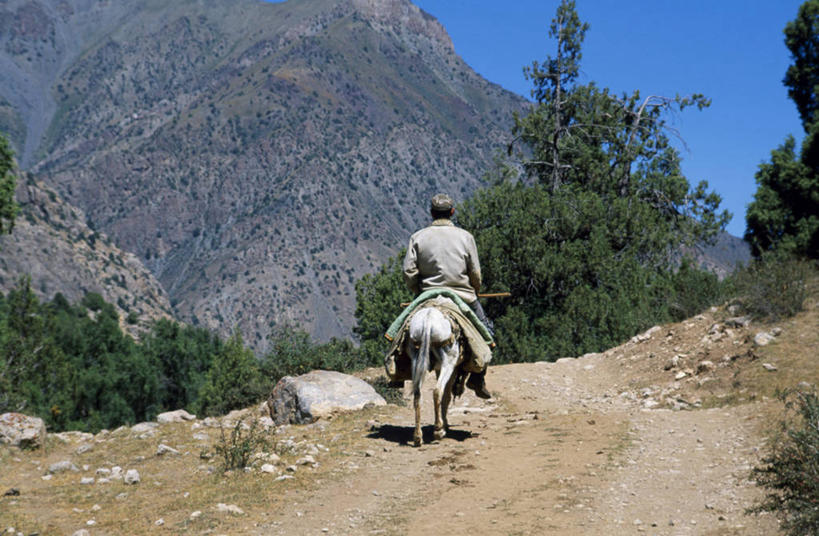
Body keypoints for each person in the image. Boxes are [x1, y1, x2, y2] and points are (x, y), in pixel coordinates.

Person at [401, 193, 493, 399]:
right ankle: (477, 377)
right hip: (462, 296)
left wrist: (417, 290)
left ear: (432, 213)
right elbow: (475, 272)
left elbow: (408, 271)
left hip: (427, 296)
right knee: (486, 331)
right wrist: (474, 289)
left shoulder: (418, 237)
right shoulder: (466, 237)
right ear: (452, 212)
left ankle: (398, 369)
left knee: (400, 332)